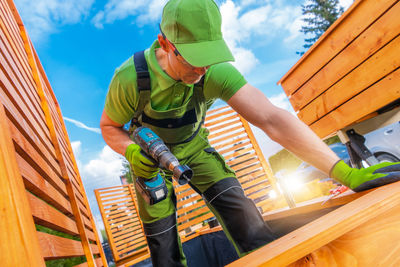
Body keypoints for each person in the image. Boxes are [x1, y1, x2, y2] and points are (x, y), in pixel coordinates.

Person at [100, 0, 400, 266]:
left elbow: (271, 118)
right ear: (165, 44)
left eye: (209, 55)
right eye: (193, 58)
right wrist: (130, 151)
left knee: (243, 213)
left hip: (194, 149)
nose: (203, 67)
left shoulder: (213, 71)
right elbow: (109, 127)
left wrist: (342, 172)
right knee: (163, 249)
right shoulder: (131, 78)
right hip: (149, 163)